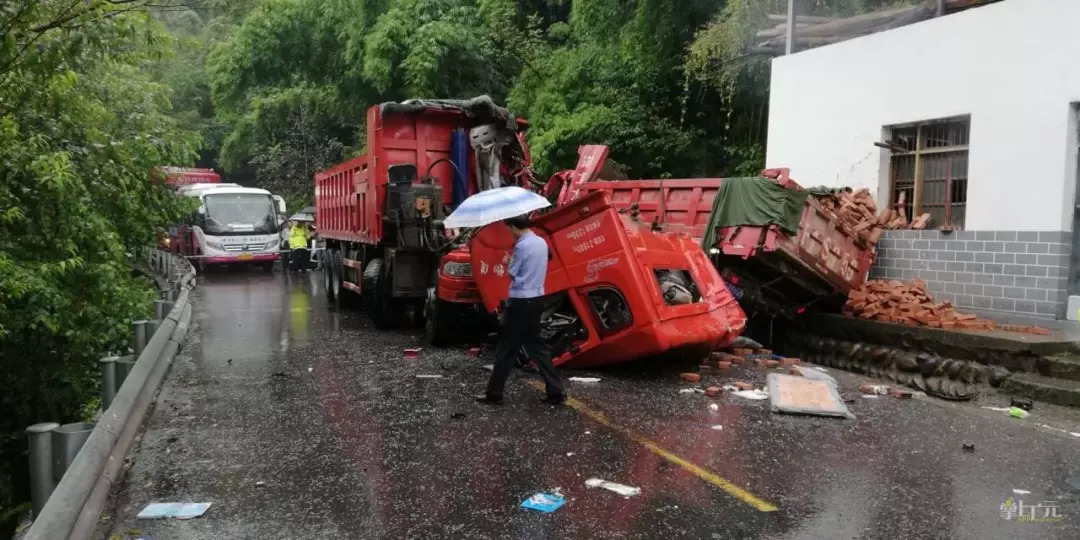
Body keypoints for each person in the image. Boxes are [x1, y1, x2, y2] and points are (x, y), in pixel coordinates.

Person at [477, 214, 566, 405]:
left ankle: (494, 394)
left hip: (519, 301)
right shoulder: (541, 242)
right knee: (538, 346)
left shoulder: (521, 246)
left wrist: (510, 260)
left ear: (514, 227)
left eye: (509, 228)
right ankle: (555, 391)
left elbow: (512, 273)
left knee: (507, 348)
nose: (509, 232)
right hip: (536, 299)